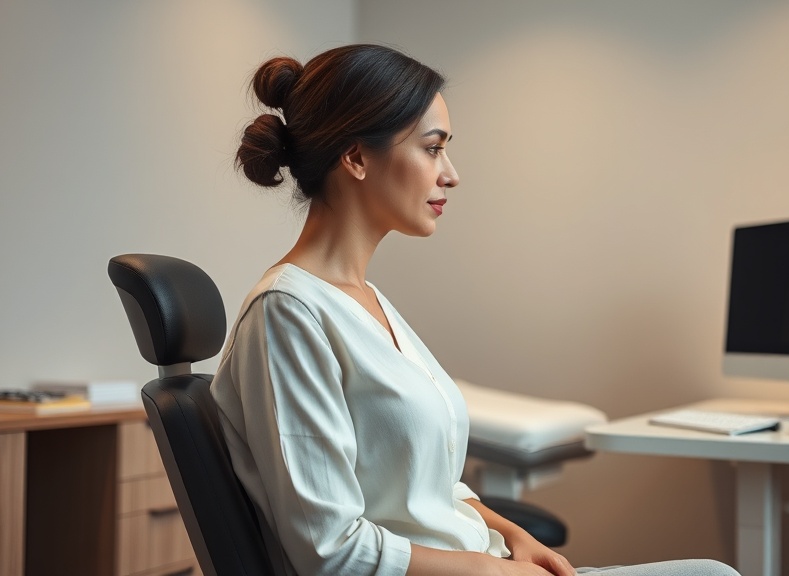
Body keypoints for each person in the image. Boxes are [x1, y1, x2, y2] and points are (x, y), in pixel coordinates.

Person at [211, 44, 740, 576]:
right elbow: (331, 551)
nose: (451, 174)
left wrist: (512, 534)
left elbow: (430, 489)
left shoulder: (366, 300)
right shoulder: (287, 313)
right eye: (432, 149)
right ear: (356, 158)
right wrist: (495, 571)